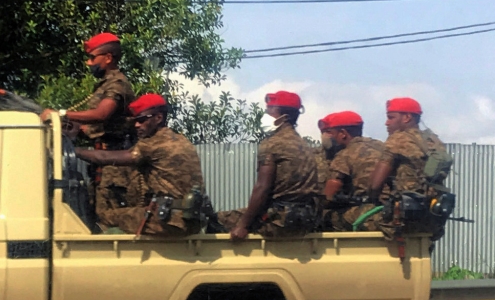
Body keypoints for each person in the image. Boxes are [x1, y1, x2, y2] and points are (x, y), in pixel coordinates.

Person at [73, 94, 207, 237]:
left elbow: (104, 157)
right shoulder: (181, 140)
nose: (137, 125)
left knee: (105, 216)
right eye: (136, 121)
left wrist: (72, 149)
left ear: (158, 118)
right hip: (192, 219)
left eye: (142, 120)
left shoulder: (153, 144)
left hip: (169, 221)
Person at [40, 32, 138, 218]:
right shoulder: (104, 85)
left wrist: (61, 114)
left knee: (111, 221)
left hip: (116, 167)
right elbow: (98, 127)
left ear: (108, 58)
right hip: (103, 162)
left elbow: (102, 114)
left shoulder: (117, 84)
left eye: (93, 58)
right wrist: (74, 127)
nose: (89, 63)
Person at [216, 91, 321, 241]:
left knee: (217, 220)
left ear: (282, 117)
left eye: (269, 111)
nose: (265, 114)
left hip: (280, 220)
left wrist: (243, 226)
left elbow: (262, 188)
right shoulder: (303, 144)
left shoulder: (272, 144)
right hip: (306, 220)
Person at [367, 97, 451, 244]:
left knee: (343, 217)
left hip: (401, 220)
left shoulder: (398, 139)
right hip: (432, 220)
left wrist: (371, 199)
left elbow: (375, 185)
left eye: (391, 117)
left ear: (407, 117)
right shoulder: (434, 141)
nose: (387, 123)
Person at [317, 111, 386, 231]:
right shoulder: (381, 146)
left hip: (368, 212)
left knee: (322, 217)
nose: (328, 137)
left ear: (343, 133)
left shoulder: (345, 154)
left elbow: (330, 193)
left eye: (331, 133)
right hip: (391, 209)